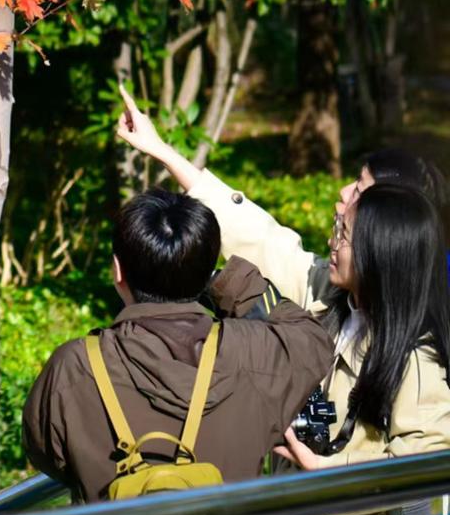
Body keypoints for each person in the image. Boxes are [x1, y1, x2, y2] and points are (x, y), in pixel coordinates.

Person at [115, 86, 450, 487]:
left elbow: (422, 468)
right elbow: (260, 236)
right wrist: (162, 151)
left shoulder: (414, 357)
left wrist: (324, 471)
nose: (343, 196)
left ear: (385, 236)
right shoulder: (332, 296)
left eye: (359, 192)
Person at [22, 185, 334, 502]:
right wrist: (232, 281)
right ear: (204, 273)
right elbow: (313, 340)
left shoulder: (73, 366)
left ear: (118, 271)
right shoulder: (255, 352)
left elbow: (48, 455)